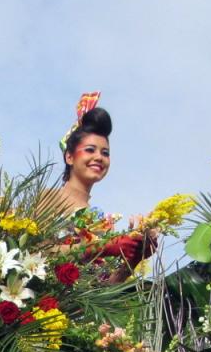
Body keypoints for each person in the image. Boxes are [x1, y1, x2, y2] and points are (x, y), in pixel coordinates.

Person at [43, 93, 155, 280]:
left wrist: (133, 259)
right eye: (90, 150)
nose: (99, 157)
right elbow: (38, 253)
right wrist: (101, 247)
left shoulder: (102, 223)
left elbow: (104, 291)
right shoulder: (49, 198)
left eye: (105, 153)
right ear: (69, 156)